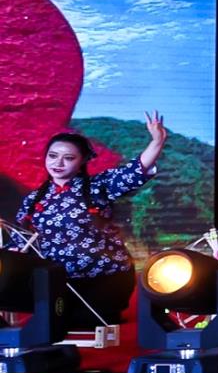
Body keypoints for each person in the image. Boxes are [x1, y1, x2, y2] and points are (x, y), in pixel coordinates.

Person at [13, 115, 168, 328]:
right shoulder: (34, 199)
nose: (58, 163)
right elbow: (19, 239)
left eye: (68, 158)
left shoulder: (98, 186)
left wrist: (157, 141)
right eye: (53, 156)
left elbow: (134, 171)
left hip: (105, 278)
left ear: (82, 161)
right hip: (59, 283)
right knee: (49, 325)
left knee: (87, 324)